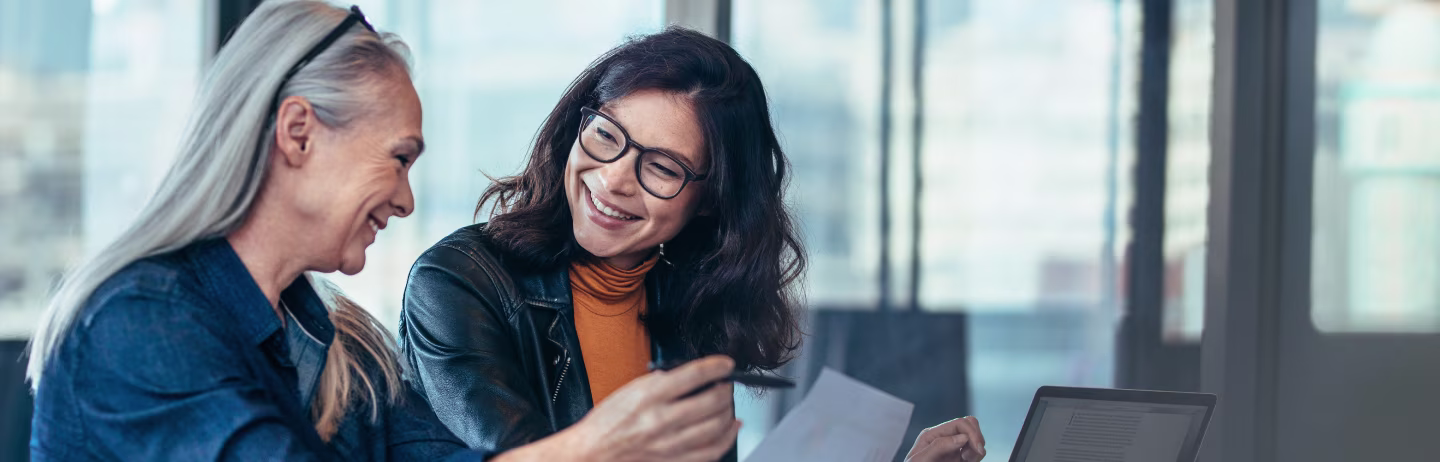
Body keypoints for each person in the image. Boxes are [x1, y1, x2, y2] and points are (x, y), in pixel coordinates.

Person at [25, 2, 735, 461]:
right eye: (398, 159)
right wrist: (587, 451)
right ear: (298, 133)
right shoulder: (137, 320)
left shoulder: (343, 347)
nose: (404, 201)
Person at [399, 27, 988, 462]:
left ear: (709, 200)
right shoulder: (458, 280)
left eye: (662, 167)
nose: (614, 179)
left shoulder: (687, 301)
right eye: (606, 134)